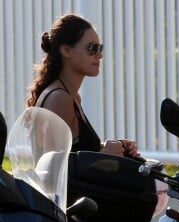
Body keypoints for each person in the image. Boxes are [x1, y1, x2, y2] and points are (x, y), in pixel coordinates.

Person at [27, 14, 139, 157]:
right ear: (67, 51)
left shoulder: (71, 96)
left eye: (100, 48)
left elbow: (73, 150)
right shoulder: (60, 99)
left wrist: (117, 148)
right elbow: (53, 167)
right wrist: (104, 155)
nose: (99, 55)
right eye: (92, 48)